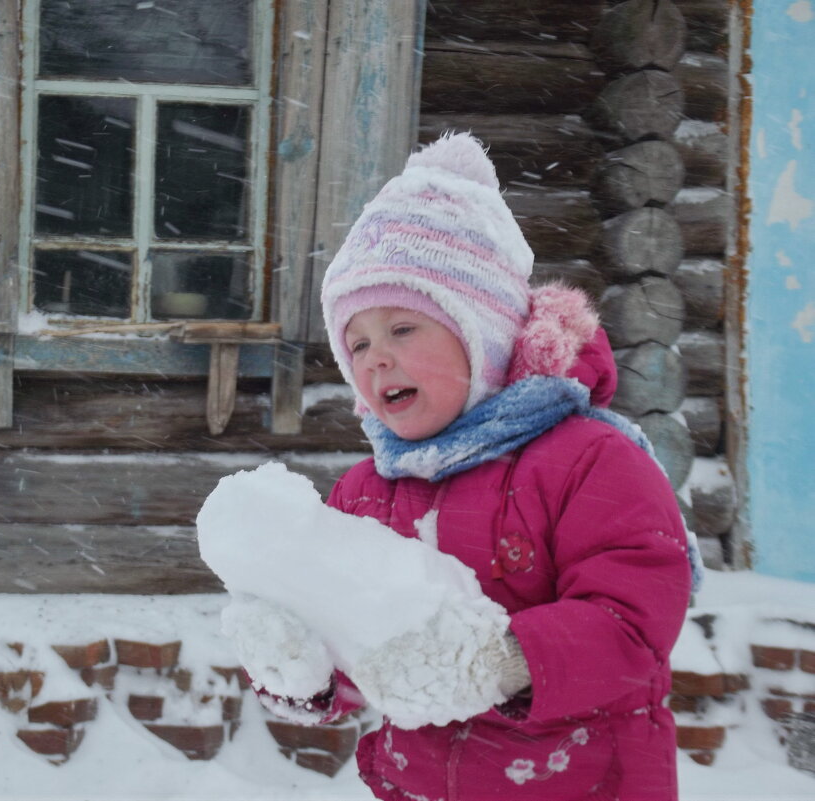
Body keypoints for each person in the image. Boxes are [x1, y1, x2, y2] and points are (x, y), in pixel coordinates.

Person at [222, 132, 697, 800]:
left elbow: (633, 620)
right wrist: (307, 667)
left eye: (403, 328)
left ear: (486, 335)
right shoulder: (365, 494)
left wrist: (503, 659)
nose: (375, 356)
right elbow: (368, 649)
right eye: (356, 342)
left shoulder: (590, 459)